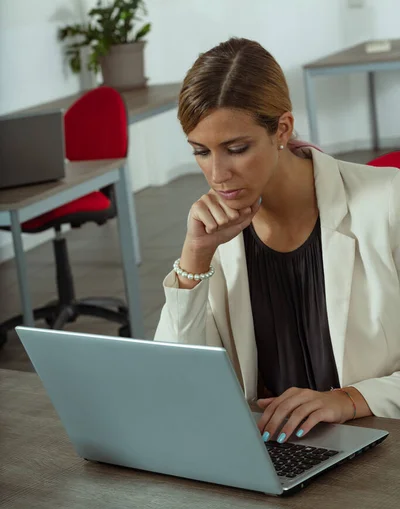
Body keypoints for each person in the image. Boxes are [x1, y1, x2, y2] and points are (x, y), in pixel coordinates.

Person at [155, 37, 400, 444]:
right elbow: (172, 381)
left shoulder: (389, 204)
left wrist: (352, 398)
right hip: (275, 457)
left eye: (236, 149)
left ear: (282, 128)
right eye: (201, 151)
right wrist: (195, 258)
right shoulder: (217, 236)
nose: (217, 173)